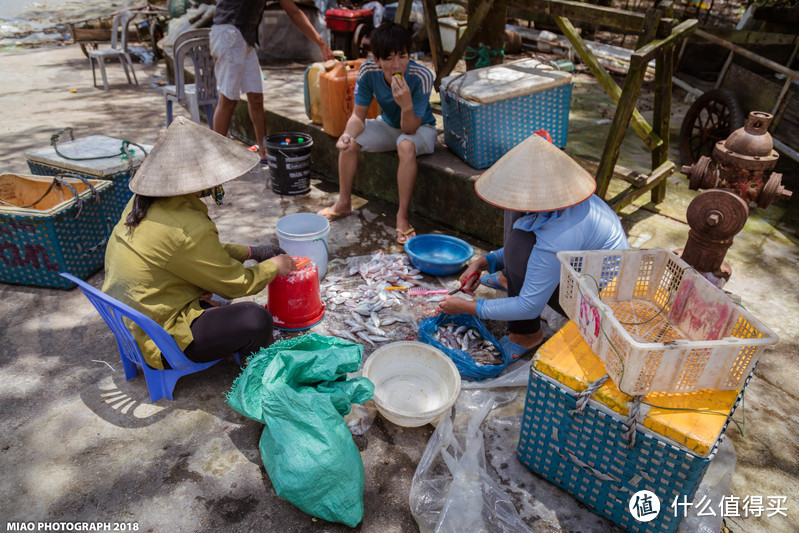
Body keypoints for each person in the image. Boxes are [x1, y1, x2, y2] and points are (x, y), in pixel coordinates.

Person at [103, 117, 295, 370]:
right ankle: (257, 375)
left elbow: (197, 254)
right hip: (160, 337)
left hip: (132, 318)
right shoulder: (188, 228)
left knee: (216, 295)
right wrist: (273, 266)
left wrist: (252, 252)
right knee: (255, 318)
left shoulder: (145, 203)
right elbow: (236, 285)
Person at [438, 133, 630, 359]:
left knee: (520, 242)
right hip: (570, 270)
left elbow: (528, 305)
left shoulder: (562, 231)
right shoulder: (559, 203)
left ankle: (526, 334)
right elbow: (533, 246)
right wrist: (484, 262)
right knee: (516, 221)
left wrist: (468, 307)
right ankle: (512, 281)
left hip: (593, 301)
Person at [317, 21, 437, 244]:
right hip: (388, 125)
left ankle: (402, 216)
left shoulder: (422, 76)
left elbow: (410, 128)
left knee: (405, 143)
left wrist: (407, 105)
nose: (397, 65)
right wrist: (346, 135)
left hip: (421, 130)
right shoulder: (368, 71)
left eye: (402, 56)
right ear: (377, 60)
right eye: (389, 58)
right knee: (350, 142)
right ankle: (343, 203)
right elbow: (358, 117)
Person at [210, 0, 334, 159]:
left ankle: (264, 152)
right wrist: (321, 43)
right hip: (229, 34)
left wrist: (320, 43)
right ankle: (215, 160)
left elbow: (293, 10)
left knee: (256, 97)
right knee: (228, 100)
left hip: (244, 37)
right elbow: (293, 12)